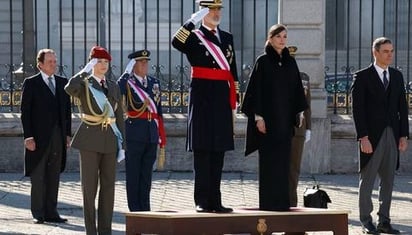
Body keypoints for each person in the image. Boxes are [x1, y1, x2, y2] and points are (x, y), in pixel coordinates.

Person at [172, 0, 239, 213]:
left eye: (219, 9)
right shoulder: (194, 37)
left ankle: (216, 200)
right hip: (202, 98)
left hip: (220, 98)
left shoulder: (227, 37)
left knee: (218, 152)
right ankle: (202, 200)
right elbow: (176, 42)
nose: (217, 13)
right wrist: (191, 22)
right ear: (203, 12)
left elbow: (232, 70)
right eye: (212, 10)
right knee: (203, 151)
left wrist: (234, 99)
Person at [241, 24, 308, 211]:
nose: (282, 40)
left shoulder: (290, 62)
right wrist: (258, 117)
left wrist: (299, 112)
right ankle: (269, 204)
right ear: (270, 38)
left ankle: (283, 204)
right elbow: (256, 91)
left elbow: (297, 90)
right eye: (278, 36)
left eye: (285, 36)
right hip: (268, 122)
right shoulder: (263, 61)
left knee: (284, 164)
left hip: (285, 121)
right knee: (269, 163)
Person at [64, 46, 125, 235]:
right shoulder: (84, 83)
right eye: (99, 61)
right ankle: (91, 230)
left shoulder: (113, 86)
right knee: (89, 189)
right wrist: (84, 71)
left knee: (108, 188)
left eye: (106, 62)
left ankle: (105, 230)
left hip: (110, 140)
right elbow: (69, 88)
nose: (103, 65)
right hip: (90, 139)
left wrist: (122, 143)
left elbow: (119, 115)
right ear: (92, 63)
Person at [351, 37, 409, 235]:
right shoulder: (362, 77)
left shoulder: (397, 76)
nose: (390, 55)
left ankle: (384, 220)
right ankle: (366, 221)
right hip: (371, 137)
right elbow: (357, 110)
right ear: (375, 52)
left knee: (389, 180)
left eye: (391, 51)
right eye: (385, 51)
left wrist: (403, 135)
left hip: (392, 135)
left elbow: (402, 107)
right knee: (367, 180)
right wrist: (363, 137)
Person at [20, 48, 72, 224]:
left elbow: (66, 112)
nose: (53, 64)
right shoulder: (31, 83)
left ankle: (52, 212)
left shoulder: (62, 82)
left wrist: (67, 135)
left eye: (55, 61)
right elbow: (25, 112)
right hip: (38, 138)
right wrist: (28, 137)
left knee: (53, 175)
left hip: (57, 136)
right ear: (40, 64)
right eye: (50, 62)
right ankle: (38, 213)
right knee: (39, 175)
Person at [117, 49, 166, 211]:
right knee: (133, 175)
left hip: (151, 133)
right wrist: (126, 73)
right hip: (134, 132)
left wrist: (160, 135)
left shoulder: (154, 82)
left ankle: (146, 208)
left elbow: (158, 111)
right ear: (134, 65)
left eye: (146, 62)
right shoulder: (128, 82)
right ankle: (135, 210)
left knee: (146, 175)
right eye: (141, 62)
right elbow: (117, 91)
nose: (145, 65)